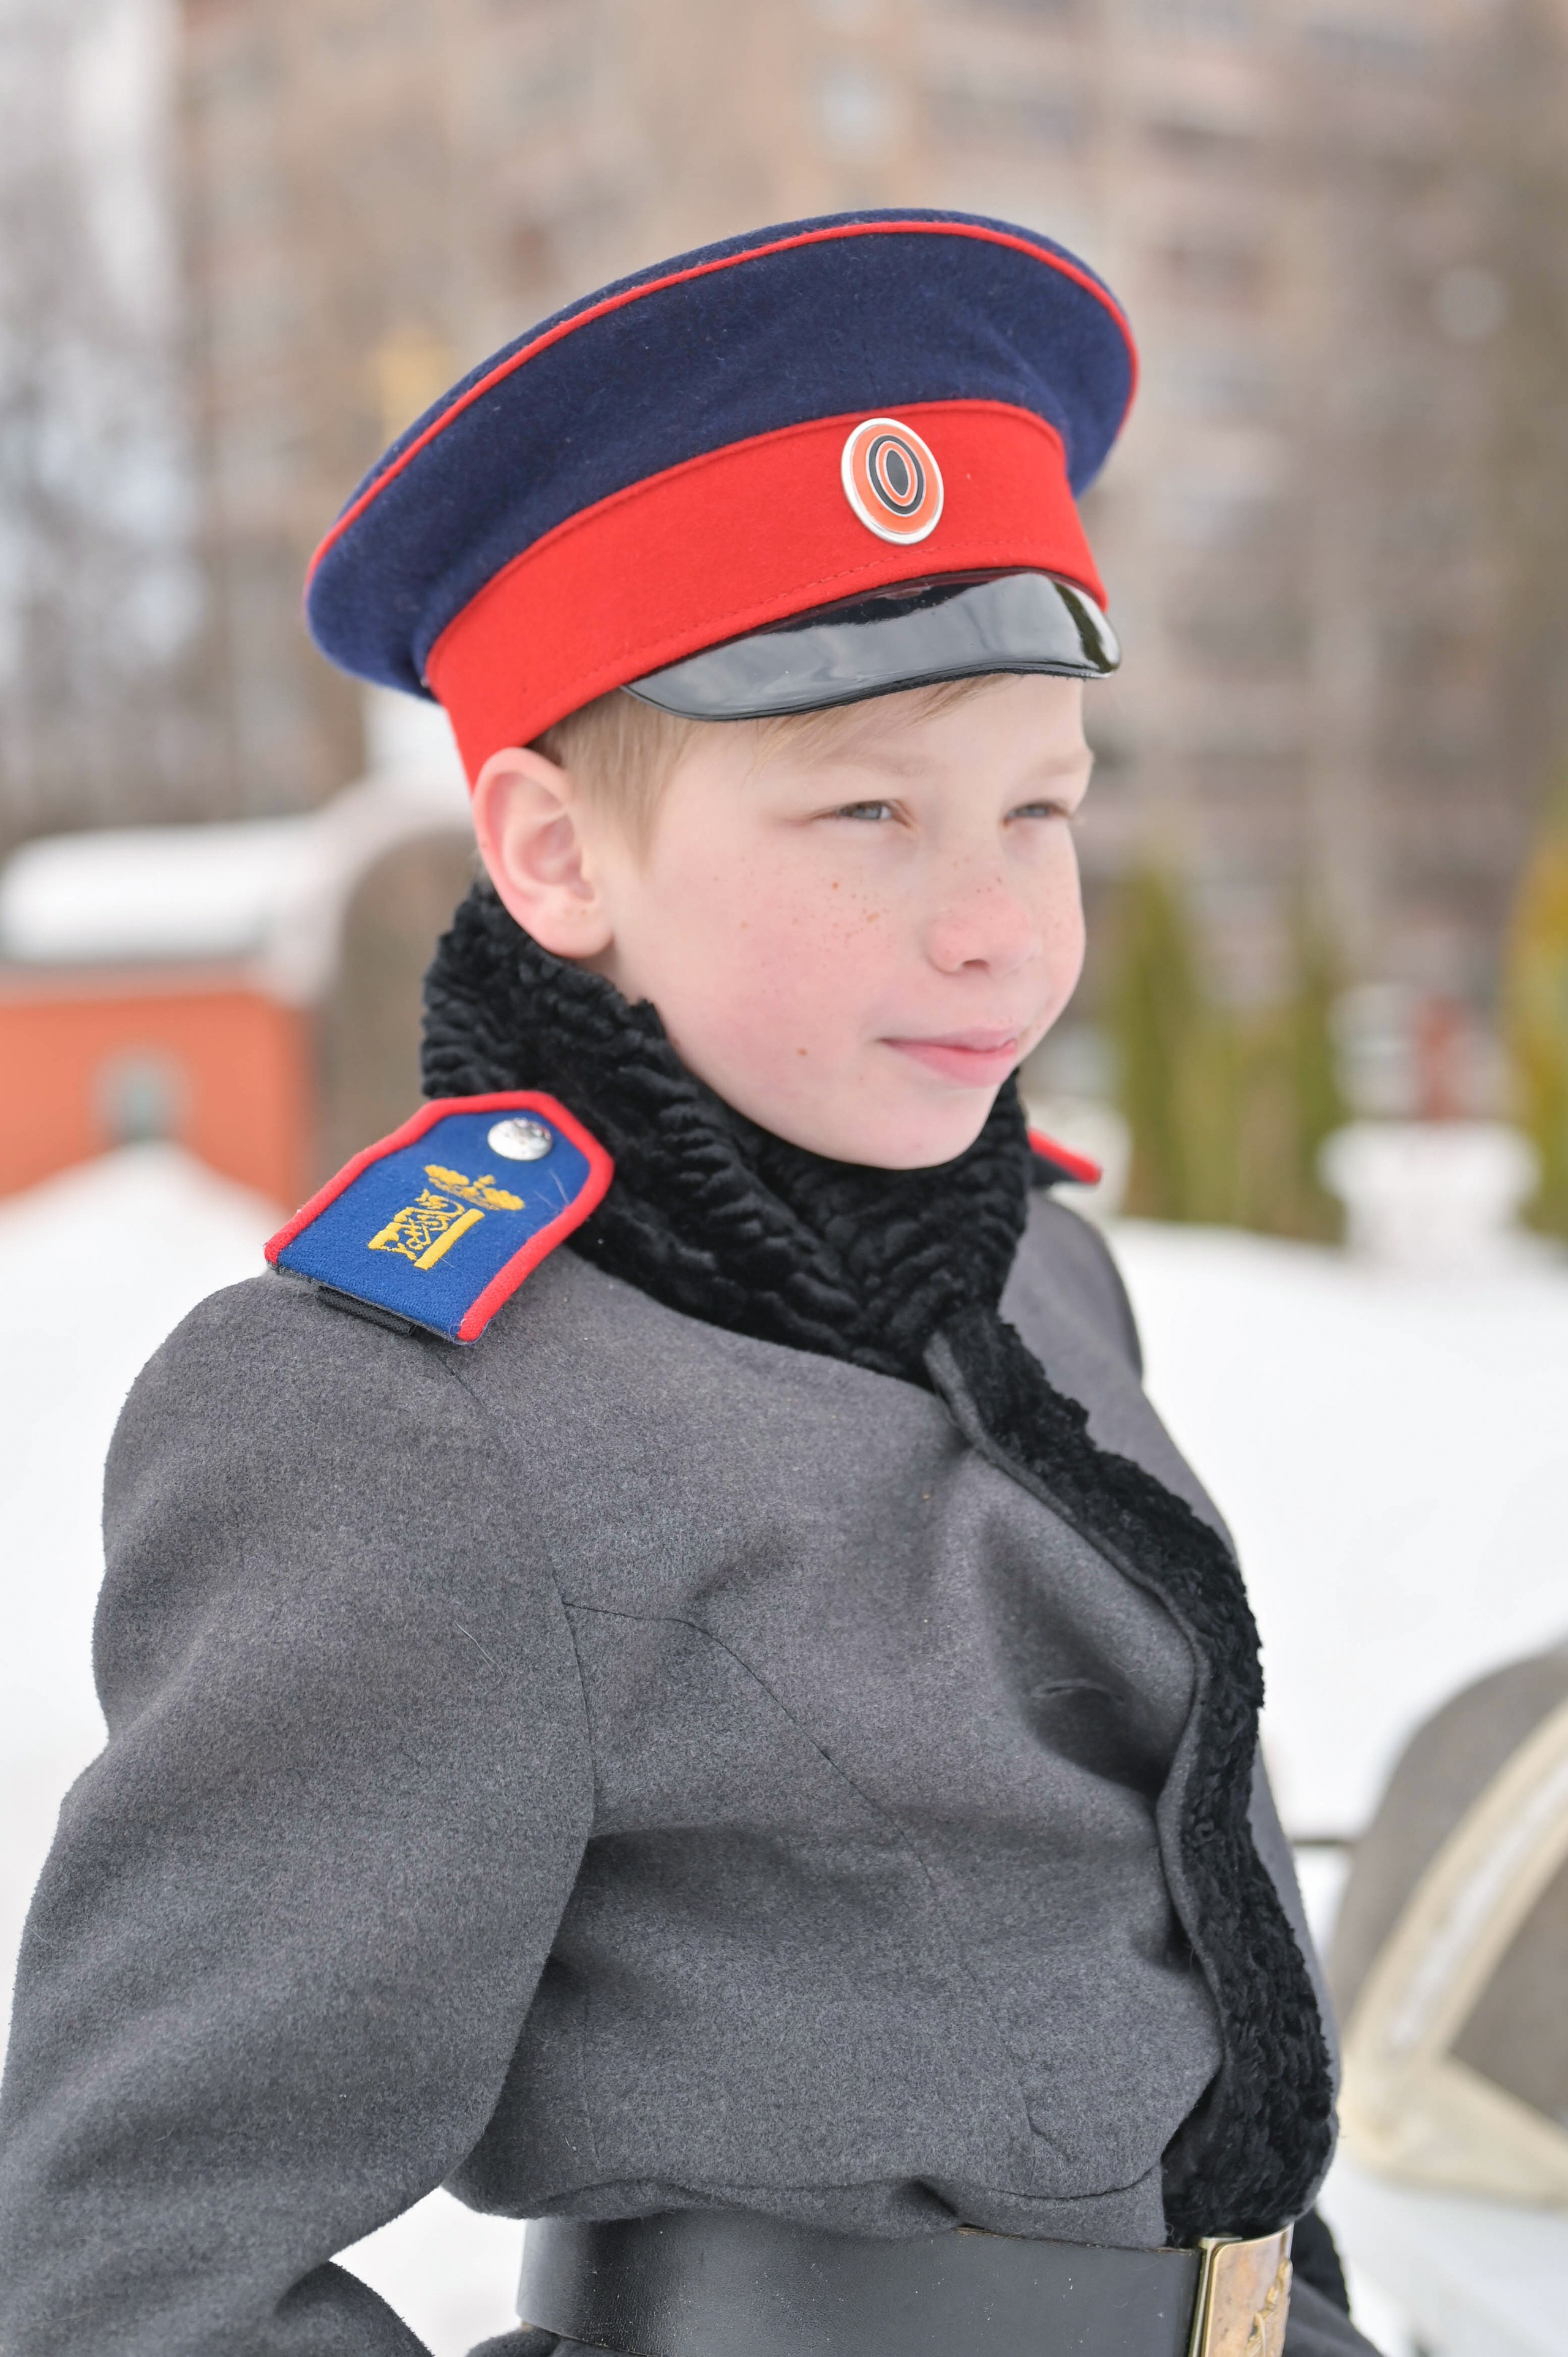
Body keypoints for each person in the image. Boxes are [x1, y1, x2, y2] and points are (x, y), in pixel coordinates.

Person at [0, 210, 1378, 2357]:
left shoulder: (1038, 1277)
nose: (1001, 926)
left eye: (1040, 810)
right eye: (868, 813)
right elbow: (127, 2277)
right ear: (558, 855)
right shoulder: (410, 1416)